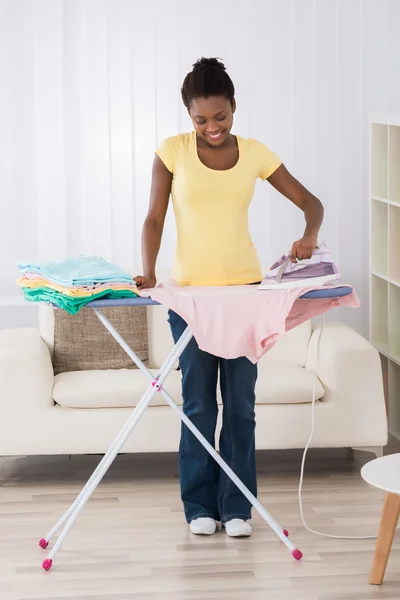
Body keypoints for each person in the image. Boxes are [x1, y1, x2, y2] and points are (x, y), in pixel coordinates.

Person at [135, 57, 323, 538]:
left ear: (234, 108)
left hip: (245, 295)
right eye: (201, 119)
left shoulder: (256, 153)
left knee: (240, 403)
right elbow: (155, 217)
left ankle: (236, 506)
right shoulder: (171, 152)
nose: (212, 127)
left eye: (220, 117)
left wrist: (309, 234)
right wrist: (149, 272)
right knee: (199, 403)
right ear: (188, 114)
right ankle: (199, 506)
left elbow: (311, 203)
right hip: (192, 298)